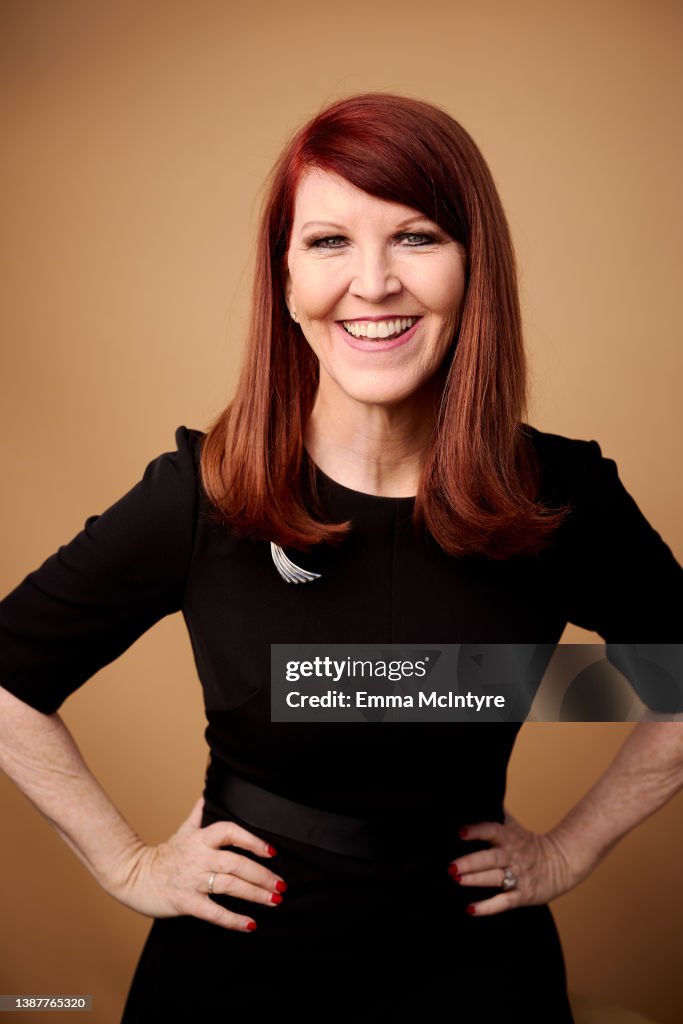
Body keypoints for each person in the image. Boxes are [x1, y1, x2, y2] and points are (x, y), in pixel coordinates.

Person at [0, 91, 682, 1023]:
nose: (372, 284)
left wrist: (569, 849)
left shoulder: (559, 493)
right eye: (328, 242)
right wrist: (127, 863)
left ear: (473, 268)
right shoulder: (201, 492)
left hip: (481, 979)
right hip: (233, 975)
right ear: (283, 280)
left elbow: (673, 682)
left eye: (416, 237)